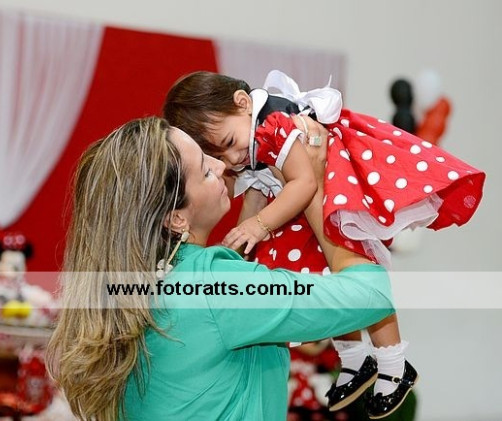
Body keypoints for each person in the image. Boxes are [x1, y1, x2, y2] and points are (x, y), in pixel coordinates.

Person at [163, 70, 485, 418]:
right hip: (309, 199)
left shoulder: (275, 124)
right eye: (216, 159)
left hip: (337, 184)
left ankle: (393, 363)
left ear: (243, 103)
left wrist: (258, 225)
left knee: (356, 269)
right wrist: (246, 235)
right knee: (327, 277)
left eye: (227, 144)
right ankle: (355, 357)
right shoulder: (251, 142)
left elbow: (304, 184)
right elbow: (263, 195)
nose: (229, 161)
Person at [46, 117, 396, 421]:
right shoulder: (216, 287)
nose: (219, 165)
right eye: (203, 169)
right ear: (176, 218)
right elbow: (372, 295)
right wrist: (316, 189)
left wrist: (256, 203)